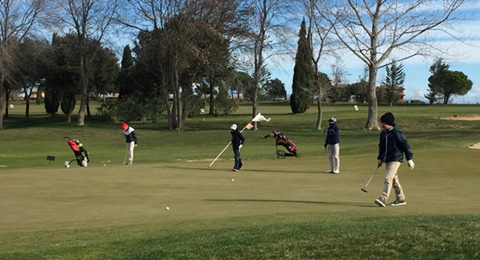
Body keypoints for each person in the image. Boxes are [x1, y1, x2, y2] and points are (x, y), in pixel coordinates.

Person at [374, 112, 415, 207]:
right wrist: (380, 158)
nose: (381, 124)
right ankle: (400, 198)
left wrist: (409, 159)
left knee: (388, 178)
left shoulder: (397, 134)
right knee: (394, 180)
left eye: (382, 122)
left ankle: (383, 198)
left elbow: (406, 146)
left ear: (387, 123)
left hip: (396, 159)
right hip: (387, 160)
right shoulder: (383, 134)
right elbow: (382, 147)